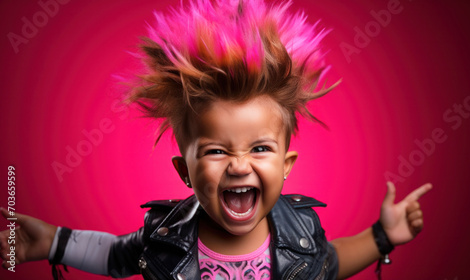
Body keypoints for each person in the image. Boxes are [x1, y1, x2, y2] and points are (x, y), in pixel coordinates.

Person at [0, 0, 432, 279]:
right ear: (185, 171)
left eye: (260, 148)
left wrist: (382, 236)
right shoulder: (166, 238)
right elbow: (115, 255)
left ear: (286, 164)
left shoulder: (301, 232)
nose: (240, 165)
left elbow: (329, 263)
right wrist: (52, 242)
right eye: (216, 151)